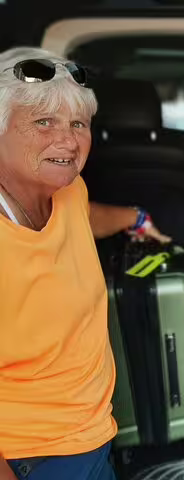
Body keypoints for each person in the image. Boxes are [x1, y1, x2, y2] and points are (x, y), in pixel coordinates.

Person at [0, 47, 171, 480]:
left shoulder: (67, 190)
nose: (69, 140)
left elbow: (83, 217)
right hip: (33, 460)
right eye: (43, 122)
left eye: (79, 124)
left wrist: (136, 218)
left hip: (91, 435)